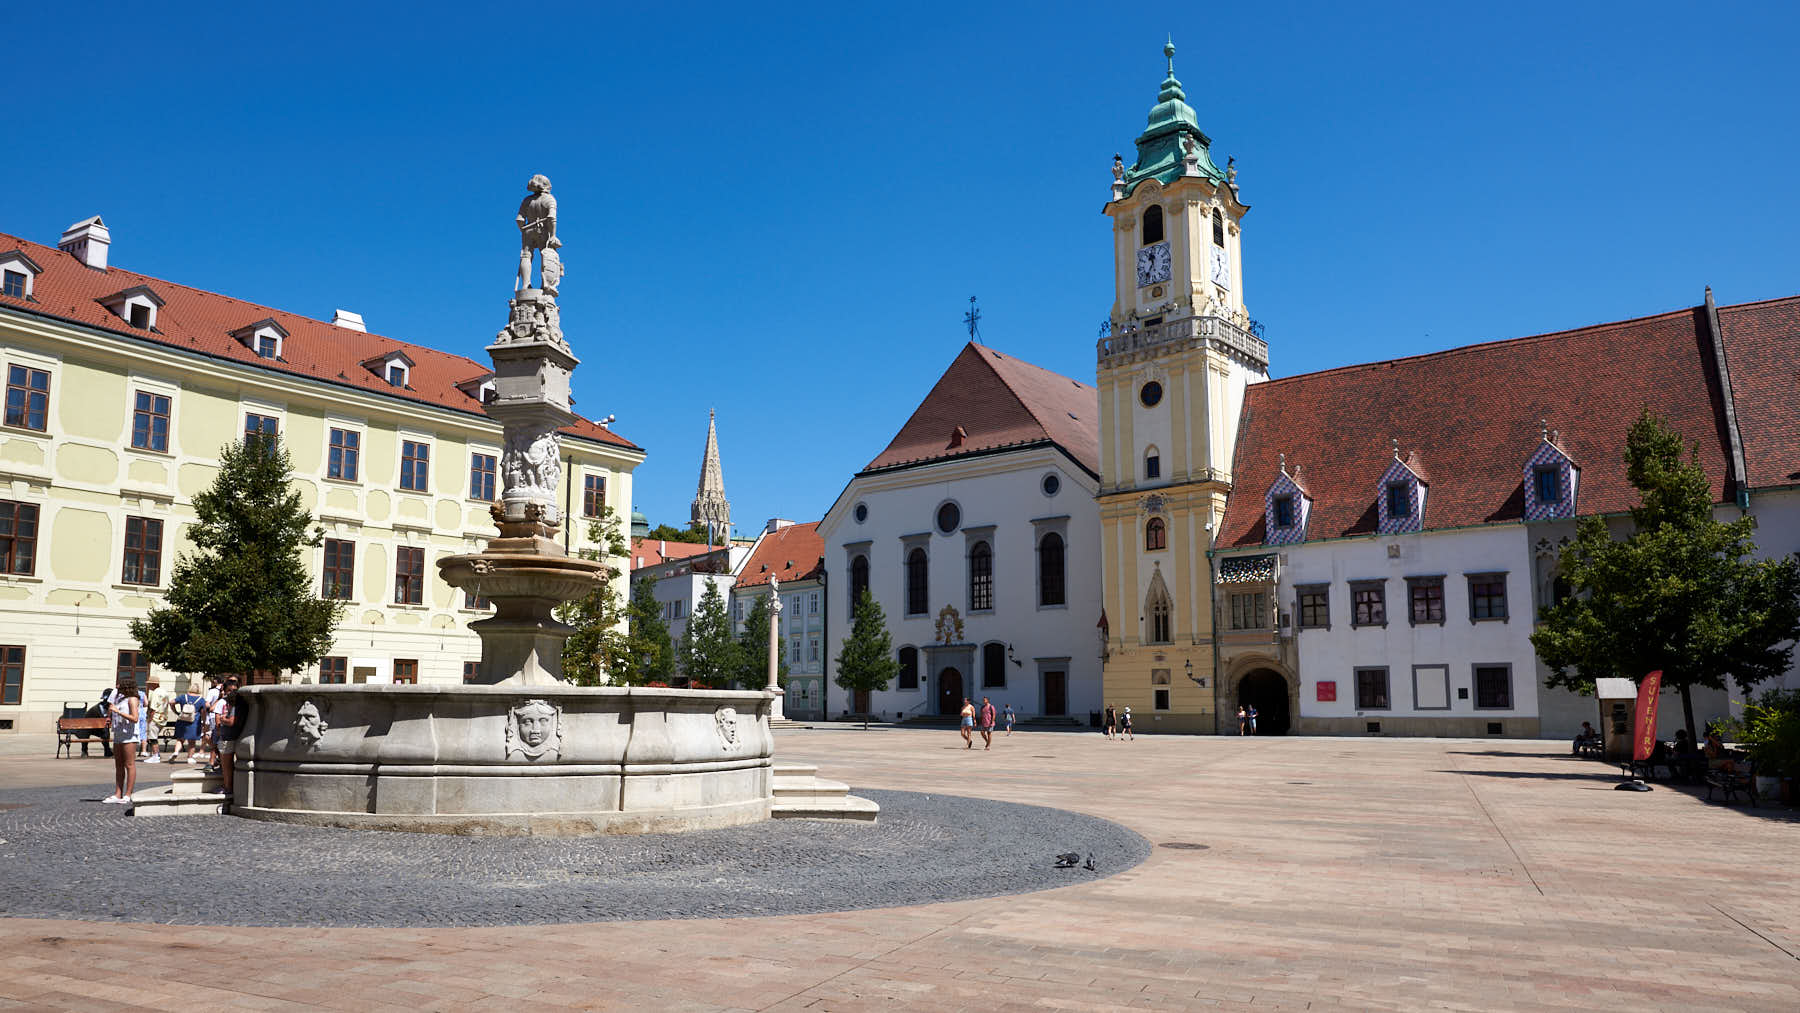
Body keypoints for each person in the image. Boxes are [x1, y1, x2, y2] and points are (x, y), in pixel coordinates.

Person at [104, 676, 142, 804]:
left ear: (126, 686)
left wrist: (118, 712)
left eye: (119, 685)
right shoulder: (119, 699)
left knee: (129, 764)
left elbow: (135, 718)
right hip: (119, 733)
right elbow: (112, 709)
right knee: (119, 765)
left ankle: (128, 794)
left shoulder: (132, 699)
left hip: (129, 735)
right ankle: (118, 793)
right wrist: (110, 716)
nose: (117, 687)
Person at [211, 676, 244, 797]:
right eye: (229, 690)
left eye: (234, 690)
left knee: (227, 766)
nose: (232, 692)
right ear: (224, 690)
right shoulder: (226, 702)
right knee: (227, 764)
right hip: (227, 736)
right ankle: (229, 786)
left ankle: (227, 787)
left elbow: (229, 721)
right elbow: (217, 720)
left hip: (230, 737)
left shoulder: (236, 704)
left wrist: (223, 719)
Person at [169, 678, 205, 763]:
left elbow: (171, 702)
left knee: (180, 739)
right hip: (194, 722)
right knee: (192, 741)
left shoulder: (183, 697)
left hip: (182, 720)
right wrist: (204, 720)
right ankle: (190, 758)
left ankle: (176, 751)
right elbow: (204, 711)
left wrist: (176, 712)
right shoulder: (201, 699)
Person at [143, 676, 169, 763]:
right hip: (163, 717)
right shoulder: (164, 692)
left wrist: (149, 719)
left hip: (155, 717)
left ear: (154, 684)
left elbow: (153, 708)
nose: (148, 686)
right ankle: (156, 755)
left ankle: (155, 755)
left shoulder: (155, 693)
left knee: (152, 737)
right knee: (154, 736)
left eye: (149, 684)